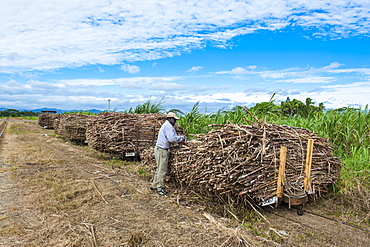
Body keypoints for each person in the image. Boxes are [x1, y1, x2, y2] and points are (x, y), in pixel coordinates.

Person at [150, 112, 185, 197]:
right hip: (162, 150)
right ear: (170, 119)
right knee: (162, 170)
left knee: (159, 169)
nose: (175, 122)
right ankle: (160, 188)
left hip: (159, 149)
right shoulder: (168, 126)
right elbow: (171, 138)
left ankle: (154, 185)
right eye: (174, 120)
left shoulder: (166, 125)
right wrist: (181, 138)